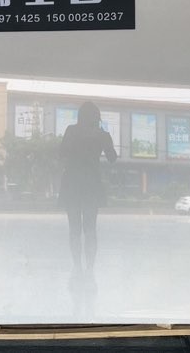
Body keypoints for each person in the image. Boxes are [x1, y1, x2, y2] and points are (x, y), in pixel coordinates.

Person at [59, 101, 117, 273]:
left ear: (80, 116)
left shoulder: (71, 131)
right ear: (97, 117)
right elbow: (112, 158)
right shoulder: (102, 135)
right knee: (90, 229)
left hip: (72, 184)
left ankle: (77, 266)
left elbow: (61, 153)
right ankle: (90, 268)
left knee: (74, 230)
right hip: (92, 184)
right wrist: (105, 139)